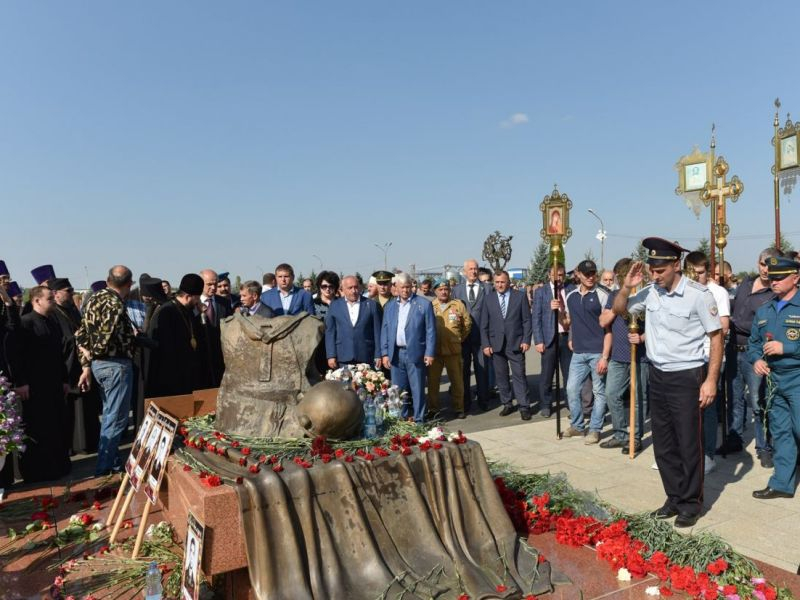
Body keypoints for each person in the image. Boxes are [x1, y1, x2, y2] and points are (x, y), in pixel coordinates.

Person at [612, 238, 722, 527]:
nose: (654, 274)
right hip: (658, 374)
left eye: (660, 269)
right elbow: (621, 310)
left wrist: (711, 380)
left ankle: (691, 503)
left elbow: (716, 337)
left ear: (676, 265)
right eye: (651, 269)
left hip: (687, 375)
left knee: (688, 443)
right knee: (663, 444)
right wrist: (626, 286)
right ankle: (673, 497)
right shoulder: (650, 293)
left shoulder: (699, 295)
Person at [75, 265, 136, 476]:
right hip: (114, 364)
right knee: (116, 419)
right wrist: (130, 337)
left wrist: (86, 360)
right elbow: (103, 341)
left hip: (99, 366)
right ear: (129, 284)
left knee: (110, 416)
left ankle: (115, 463)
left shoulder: (93, 298)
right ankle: (104, 467)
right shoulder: (114, 303)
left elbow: (80, 333)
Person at [748, 257, 800, 500]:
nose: (774, 282)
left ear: (796, 277)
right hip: (775, 380)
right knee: (781, 433)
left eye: (780, 277)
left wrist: (787, 347)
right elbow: (754, 343)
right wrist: (757, 359)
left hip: (798, 377)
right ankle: (782, 483)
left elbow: (786, 346)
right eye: (771, 278)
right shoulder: (765, 309)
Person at [726, 248, 780, 466]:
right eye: (763, 264)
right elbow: (733, 307)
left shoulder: (773, 294)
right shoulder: (745, 284)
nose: (766, 270)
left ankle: (763, 446)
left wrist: (732, 323)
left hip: (754, 352)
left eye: (770, 266)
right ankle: (734, 438)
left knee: (758, 402)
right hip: (733, 350)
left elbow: (763, 325)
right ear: (758, 263)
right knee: (734, 399)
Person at [16, 285, 72, 482]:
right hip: (34, 385)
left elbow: (59, 355)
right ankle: (38, 471)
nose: (53, 302)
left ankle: (57, 466)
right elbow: (18, 357)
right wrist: (21, 382)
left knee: (57, 424)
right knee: (39, 427)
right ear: (36, 301)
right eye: (49, 298)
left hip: (54, 383)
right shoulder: (26, 323)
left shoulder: (53, 322)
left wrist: (65, 380)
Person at [683, 251, 730, 475]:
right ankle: (687, 453)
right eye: (691, 273)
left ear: (707, 272)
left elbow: (723, 327)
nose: (696, 277)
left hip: (709, 356)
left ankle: (708, 454)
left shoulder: (717, 292)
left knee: (707, 408)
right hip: (688, 358)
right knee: (687, 407)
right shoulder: (682, 291)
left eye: (700, 273)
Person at [598, 258, 648, 454]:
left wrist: (642, 337)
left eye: (622, 274)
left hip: (639, 356)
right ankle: (620, 434)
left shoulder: (645, 295)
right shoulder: (614, 296)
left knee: (638, 398)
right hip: (618, 354)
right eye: (619, 276)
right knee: (611, 394)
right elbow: (603, 322)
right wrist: (617, 305)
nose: (619, 279)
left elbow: (656, 325)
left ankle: (635, 438)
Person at [562, 260, 611, 443]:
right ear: (579, 275)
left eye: (593, 273)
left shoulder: (602, 295)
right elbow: (569, 322)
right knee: (571, 389)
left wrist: (605, 356)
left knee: (599, 392)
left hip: (597, 351)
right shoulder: (571, 297)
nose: (590, 277)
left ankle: (595, 428)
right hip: (579, 352)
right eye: (587, 274)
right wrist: (558, 312)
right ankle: (577, 425)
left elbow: (608, 329)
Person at [51, 277, 101, 454]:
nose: (72, 294)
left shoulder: (73, 310)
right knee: (72, 408)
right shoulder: (53, 313)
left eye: (72, 290)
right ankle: (74, 445)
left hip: (83, 364)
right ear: (55, 294)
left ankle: (89, 442)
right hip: (68, 366)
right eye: (68, 291)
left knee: (87, 406)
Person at [380, 272, 436, 422]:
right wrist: (385, 353)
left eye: (407, 287)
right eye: (402, 287)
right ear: (396, 287)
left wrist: (429, 353)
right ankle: (400, 420)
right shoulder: (390, 306)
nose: (405, 290)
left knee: (417, 389)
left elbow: (430, 330)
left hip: (415, 353)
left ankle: (419, 420)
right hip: (396, 354)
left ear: (412, 286)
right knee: (398, 390)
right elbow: (385, 330)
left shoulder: (423, 304)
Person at [146, 274, 210, 397]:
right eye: (197, 298)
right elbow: (165, 347)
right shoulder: (166, 312)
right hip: (172, 376)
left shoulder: (188, 311)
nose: (198, 302)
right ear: (188, 296)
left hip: (187, 374)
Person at [480, 270, 533, 420]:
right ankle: (507, 403)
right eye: (497, 282)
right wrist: (486, 344)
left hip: (516, 344)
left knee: (519, 376)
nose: (500, 285)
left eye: (502, 282)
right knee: (501, 376)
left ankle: (524, 406)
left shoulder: (520, 296)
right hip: (496, 345)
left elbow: (527, 321)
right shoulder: (488, 299)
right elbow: (484, 324)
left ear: (508, 282)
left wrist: (526, 340)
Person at [428, 279, 472, 418]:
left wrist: (458, 339)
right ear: (435, 291)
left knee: (457, 381)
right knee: (433, 383)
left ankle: (459, 408)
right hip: (435, 351)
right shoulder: (430, 306)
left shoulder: (458, 305)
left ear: (449, 290)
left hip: (453, 351)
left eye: (446, 289)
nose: (443, 292)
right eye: (440, 289)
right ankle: (433, 409)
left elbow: (467, 324)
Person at [452, 259, 492, 412]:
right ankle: (465, 401)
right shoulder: (457, 290)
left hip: (482, 337)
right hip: (463, 338)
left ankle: (483, 400)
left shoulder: (487, 288)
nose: (473, 272)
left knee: (482, 369)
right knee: (463, 370)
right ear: (464, 271)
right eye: (470, 269)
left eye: (475, 269)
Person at [532, 264, 570, 418]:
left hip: (567, 338)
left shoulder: (569, 290)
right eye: (555, 275)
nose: (558, 278)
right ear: (549, 275)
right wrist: (538, 340)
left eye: (561, 275)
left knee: (568, 374)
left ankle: (570, 402)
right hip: (549, 338)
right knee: (547, 375)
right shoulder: (541, 292)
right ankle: (546, 404)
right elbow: (536, 318)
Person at [325, 275, 382, 369]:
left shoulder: (372, 305)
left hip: (366, 356)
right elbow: (330, 332)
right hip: (343, 357)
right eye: (350, 288)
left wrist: (378, 354)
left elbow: (377, 332)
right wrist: (331, 355)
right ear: (342, 289)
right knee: (345, 384)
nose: (354, 290)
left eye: (356, 287)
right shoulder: (335, 306)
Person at [199, 269, 232, 387]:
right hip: (201, 358)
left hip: (220, 357)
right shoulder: (194, 303)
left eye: (215, 284)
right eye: (209, 284)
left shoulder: (224, 303)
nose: (213, 287)